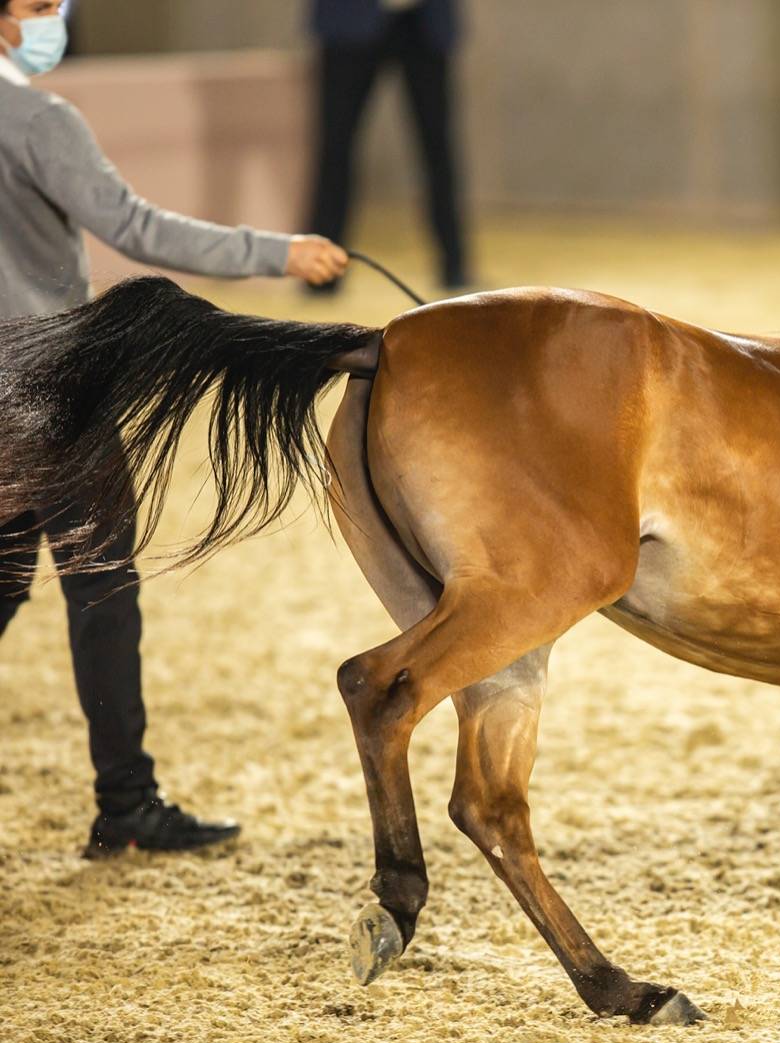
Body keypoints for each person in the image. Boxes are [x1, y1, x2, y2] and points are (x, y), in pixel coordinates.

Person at [0, 0, 350, 857]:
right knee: (104, 590)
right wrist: (276, 252)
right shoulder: (38, 119)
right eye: (43, 6)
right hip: (45, 393)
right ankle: (127, 801)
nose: (58, 19)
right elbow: (134, 227)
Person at [307, 0, 469, 292]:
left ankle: (455, 266)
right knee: (335, 149)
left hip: (424, 20)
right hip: (351, 19)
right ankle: (321, 273)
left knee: (438, 148)